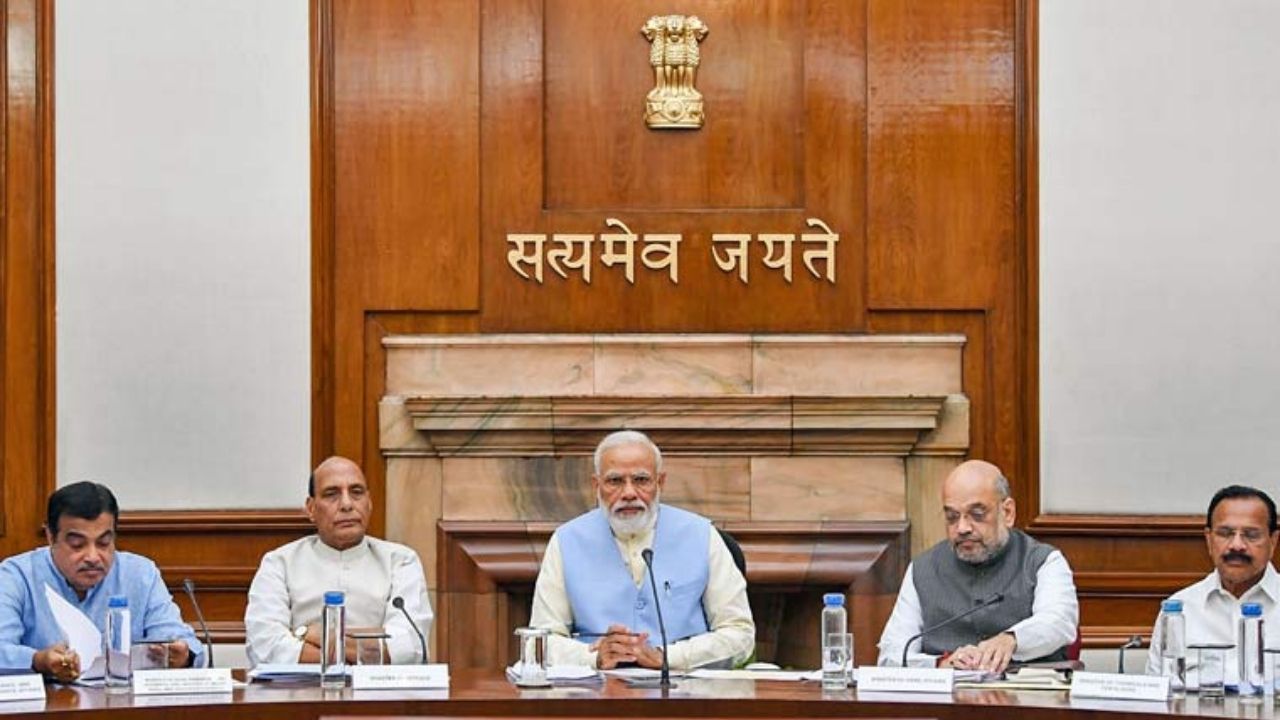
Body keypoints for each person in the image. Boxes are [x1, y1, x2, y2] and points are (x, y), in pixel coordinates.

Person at [529, 430, 755, 670]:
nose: (628, 493)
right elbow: (539, 642)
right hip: (595, 696)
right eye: (615, 481)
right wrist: (593, 656)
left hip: (688, 697)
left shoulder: (702, 535)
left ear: (660, 482)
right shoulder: (566, 540)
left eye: (641, 480)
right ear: (596, 485)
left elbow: (740, 635)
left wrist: (670, 657)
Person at [876, 460, 1078, 672]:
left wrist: (1011, 640)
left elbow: (1059, 623)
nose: (962, 528)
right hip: (948, 701)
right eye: (952, 517)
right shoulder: (923, 569)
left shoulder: (1043, 561)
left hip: (1025, 699)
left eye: (977, 515)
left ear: (1007, 512)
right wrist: (940, 664)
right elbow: (891, 654)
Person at [0, 482, 205, 681]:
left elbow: (183, 642)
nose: (92, 556)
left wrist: (182, 656)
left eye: (104, 543)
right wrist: (37, 661)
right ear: (51, 537)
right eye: (77, 545)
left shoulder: (140, 574)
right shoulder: (17, 576)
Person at [244, 456, 432, 666]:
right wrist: (366, 652)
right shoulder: (279, 564)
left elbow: (408, 646)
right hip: (299, 693)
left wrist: (310, 634)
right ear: (311, 508)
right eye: (332, 494)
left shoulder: (401, 561)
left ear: (369, 503)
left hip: (379, 695)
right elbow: (266, 647)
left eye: (356, 492)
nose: (346, 504)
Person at [1145, 485, 1280, 682]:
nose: (1237, 545)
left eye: (1251, 535)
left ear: (1273, 541)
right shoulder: (1179, 610)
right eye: (1225, 533)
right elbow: (1156, 698)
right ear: (1208, 540)